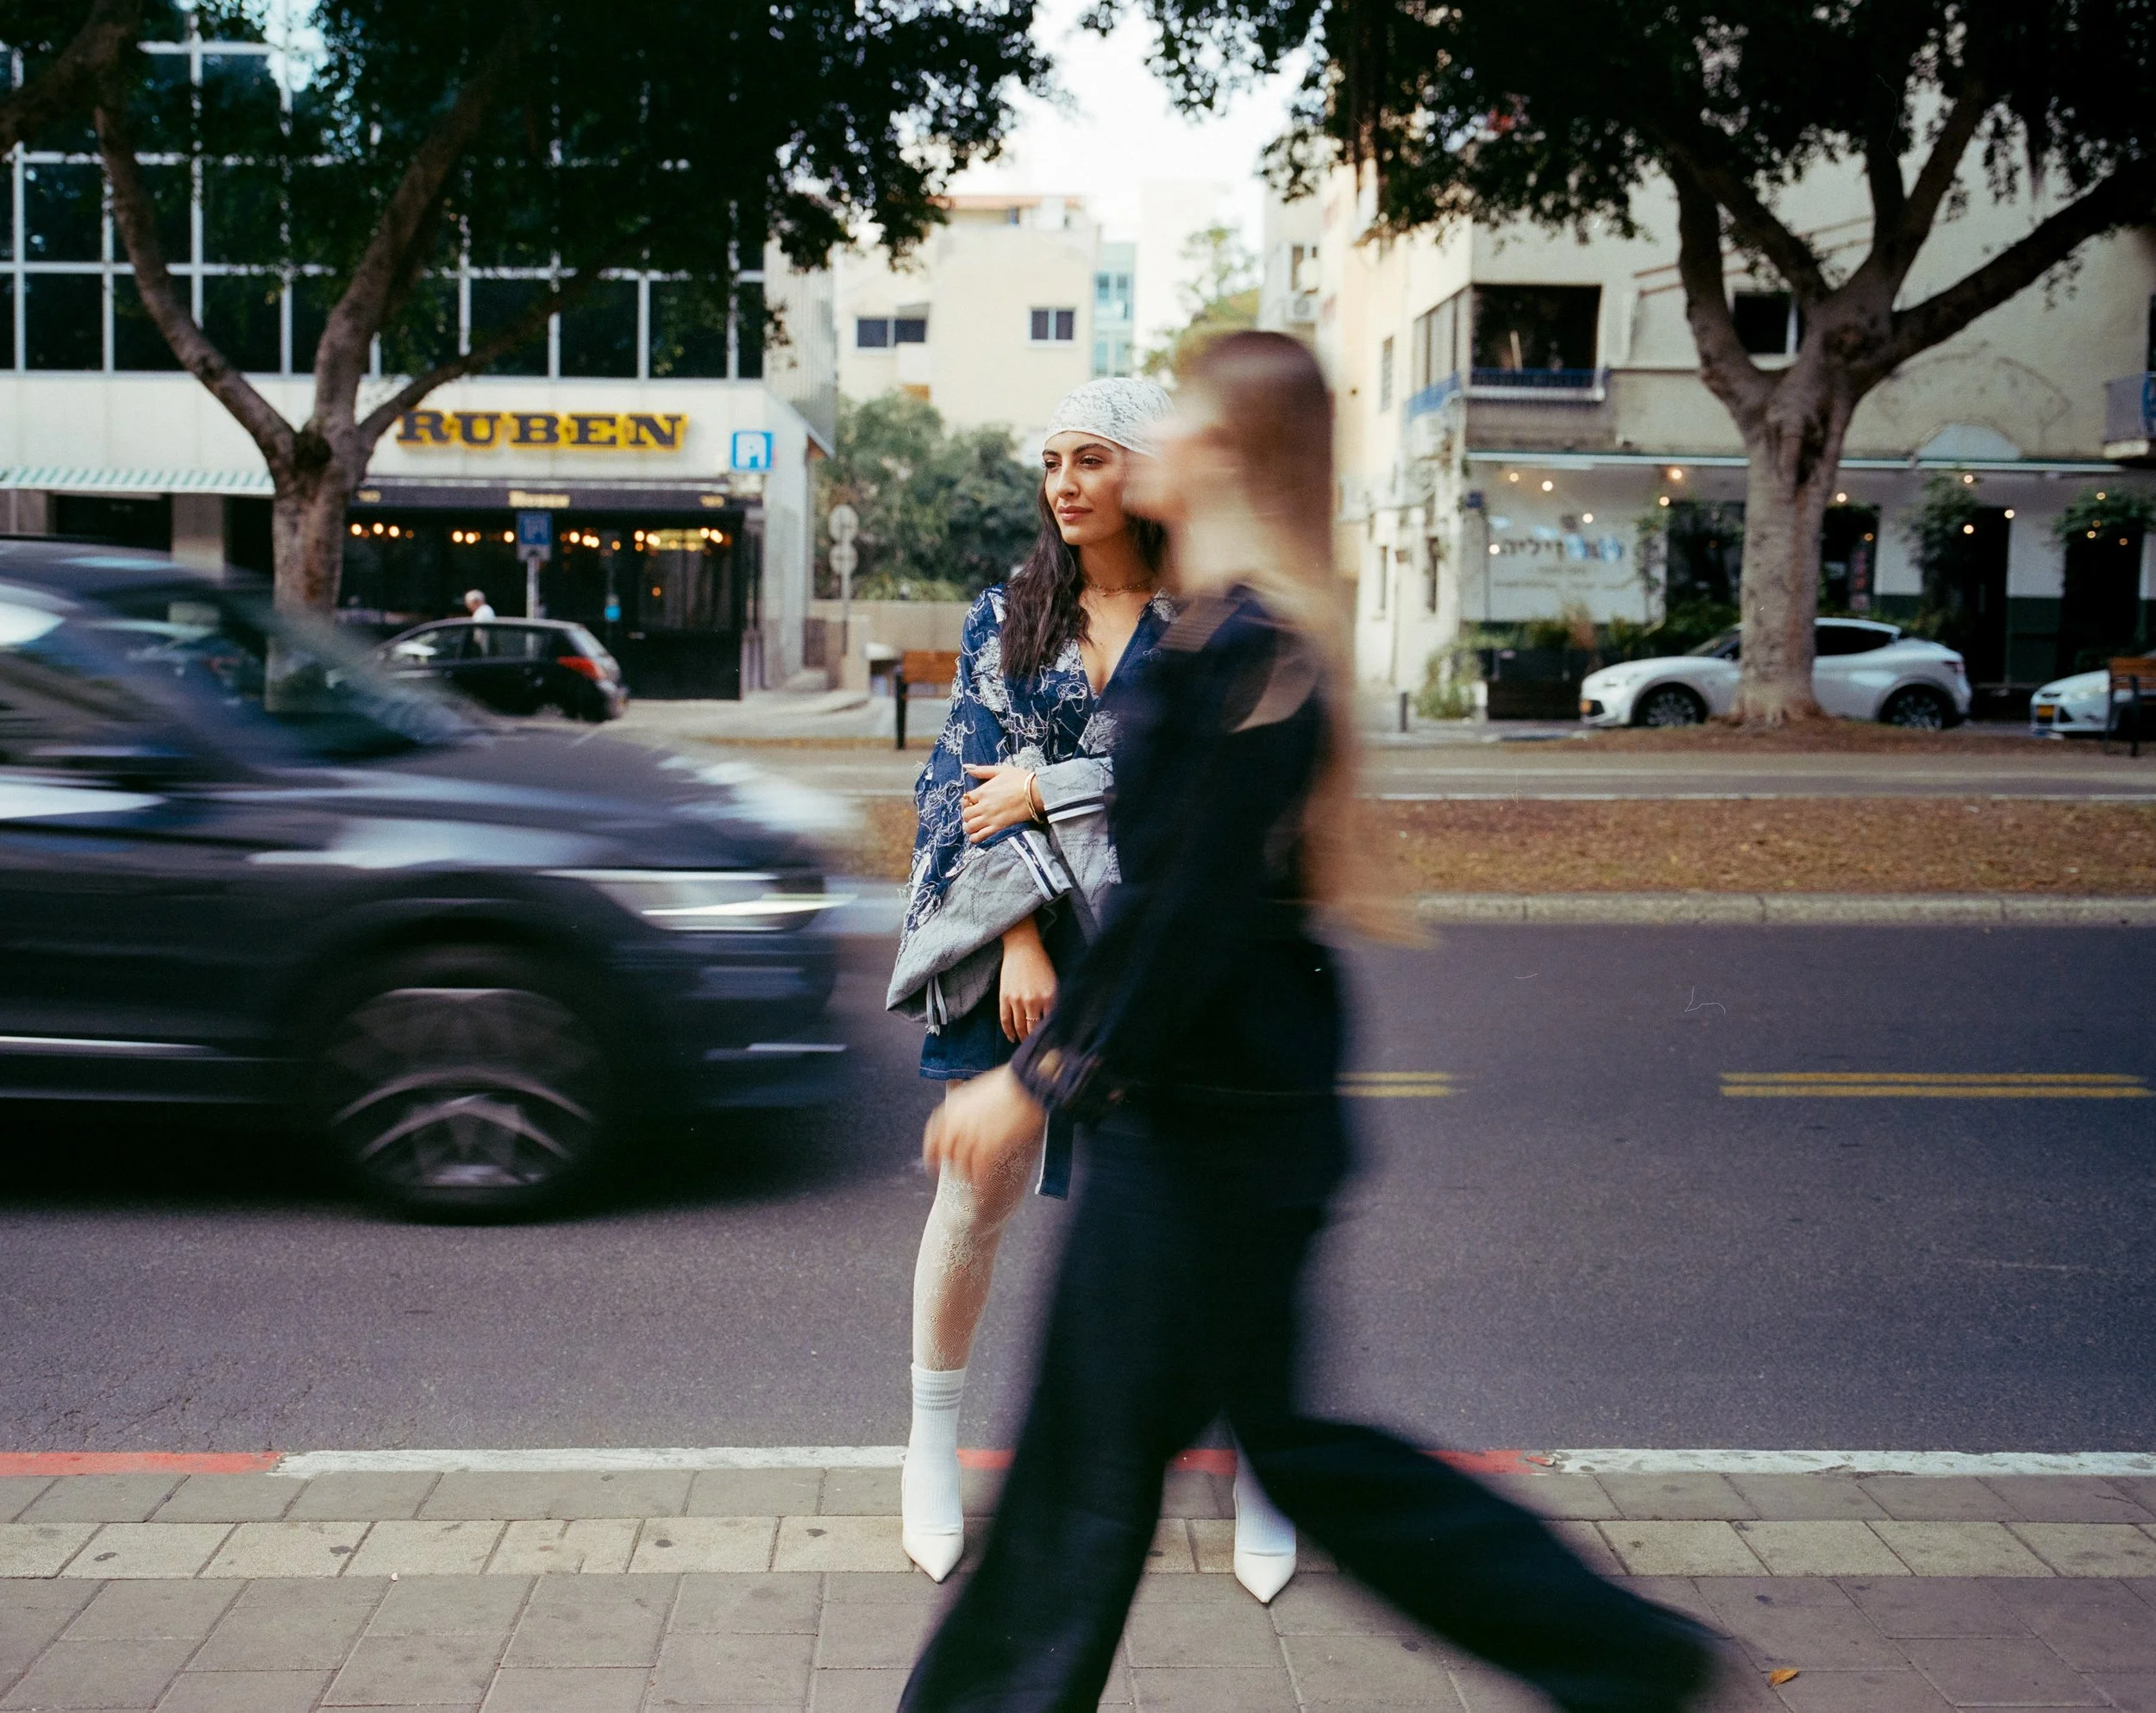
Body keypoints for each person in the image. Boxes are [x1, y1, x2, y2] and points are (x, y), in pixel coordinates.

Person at [898, 333, 1721, 1713]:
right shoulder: (1236, 633)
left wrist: (1032, 1079)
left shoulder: (1248, 652)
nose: (1130, 451)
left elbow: (1187, 919)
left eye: (1172, 427)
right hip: (1226, 1129)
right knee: (1218, 1463)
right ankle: (1630, 1662)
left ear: (1221, 453)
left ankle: (1632, 1659)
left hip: (1205, 1142)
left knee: (1091, 1485)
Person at [885, 376, 1175, 1583]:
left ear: (1147, 472)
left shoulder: (1214, 614)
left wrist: (1062, 785)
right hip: (1027, 955)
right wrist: (1018, 938)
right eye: (1051, 459)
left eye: (1091, 457)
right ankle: (931, 1437)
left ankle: (1256, 1456)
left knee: (1177, 1218)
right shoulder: (1010, 610)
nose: (1062, 481)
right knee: (978, 1200)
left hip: (1163, 950)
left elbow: (1200, 792)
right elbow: (967, 783)